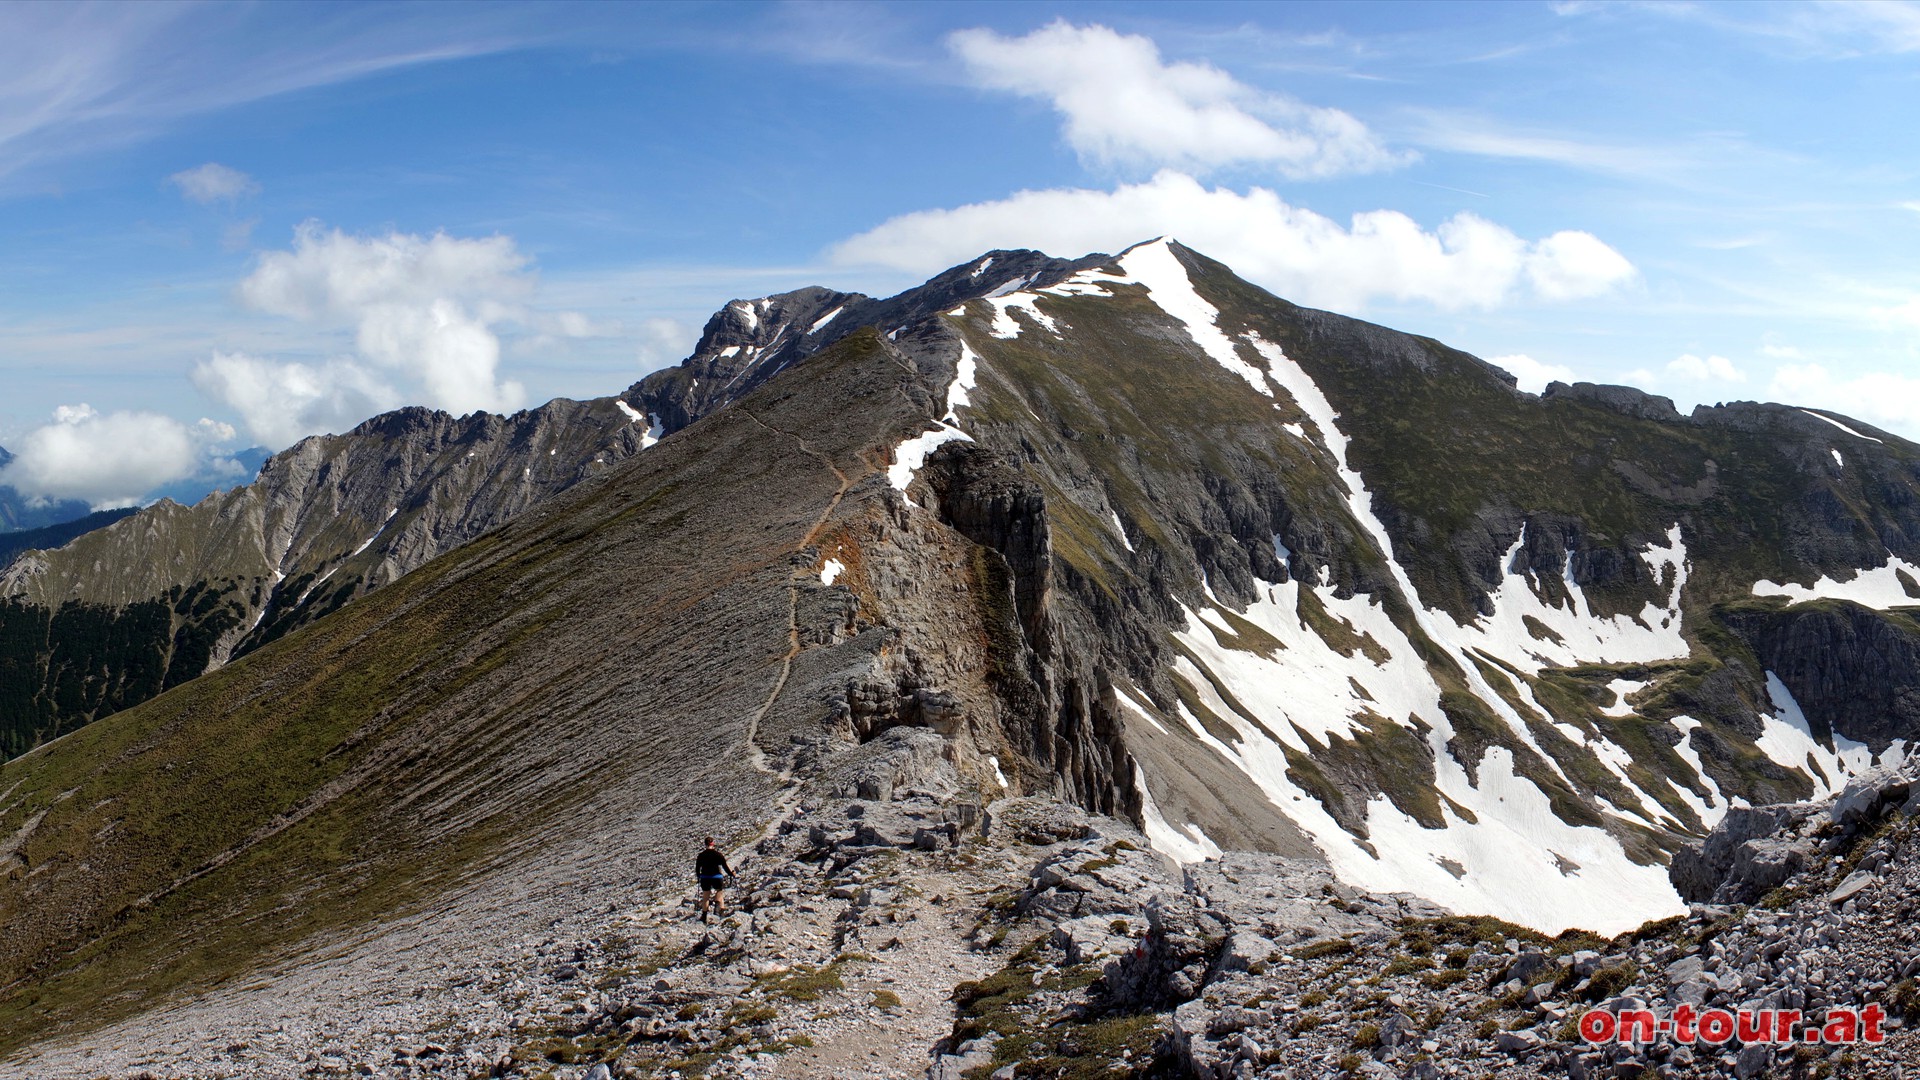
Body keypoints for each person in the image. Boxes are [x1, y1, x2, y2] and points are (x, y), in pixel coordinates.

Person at [695, 837, 734, 922]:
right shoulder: (718, 854)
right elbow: (725, 867)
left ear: (705, 844)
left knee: (706, 897)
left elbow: (697, 868)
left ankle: (704, 916)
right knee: (719, 891)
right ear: (713, 843)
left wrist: (699, 877)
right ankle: (718, 908)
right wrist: (731, 874)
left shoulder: (701, 855)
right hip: (717, 877)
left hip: (705, 877)